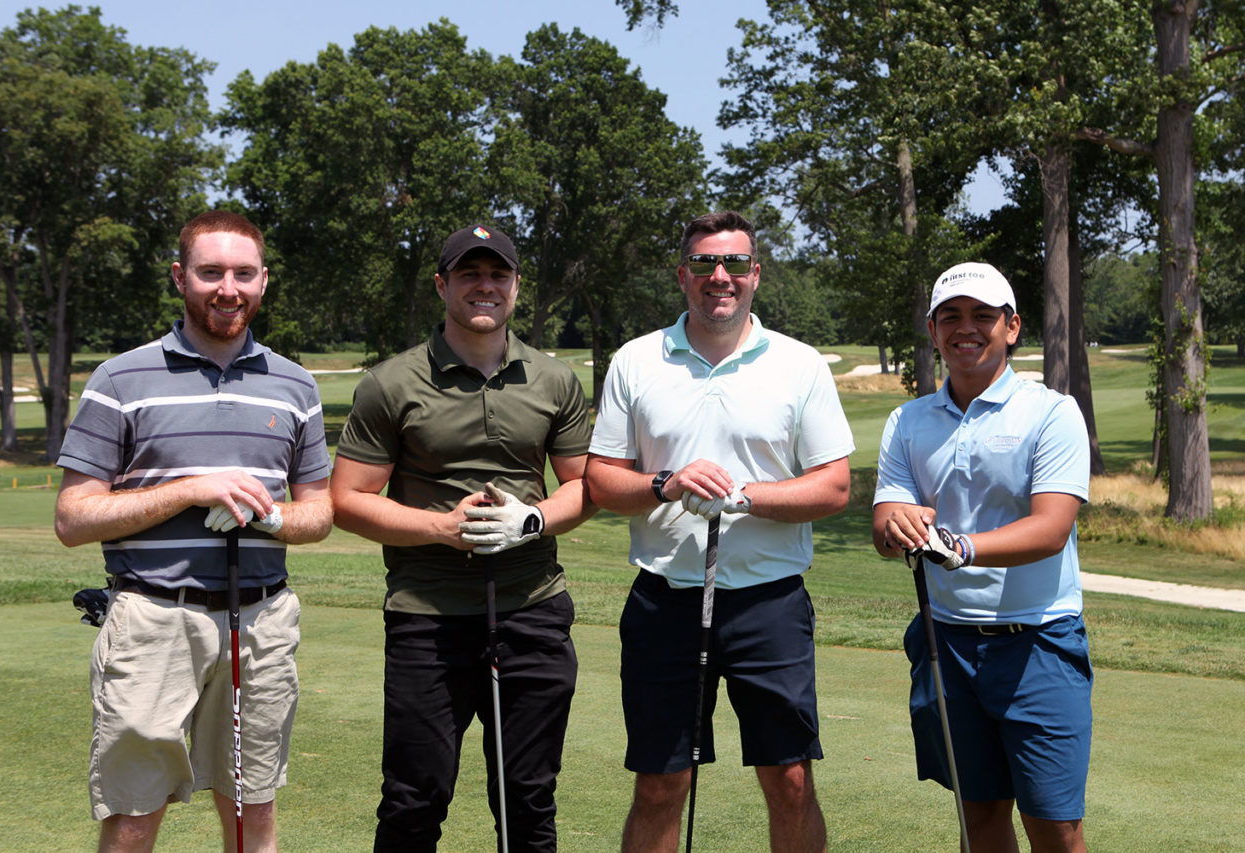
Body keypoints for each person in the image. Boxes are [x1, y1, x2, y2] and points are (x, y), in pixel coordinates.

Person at [54, 209, 333, 853]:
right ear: (180, 277)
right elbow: (74, 518)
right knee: (133, 812)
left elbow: (318, 513)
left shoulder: (295, 384)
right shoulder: (119, 379)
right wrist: (191, 490)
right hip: (153, 618)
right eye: (210, 272)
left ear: (264, 281)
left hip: (260, 620)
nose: (227, 288)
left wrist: (268, 514)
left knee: (251, 807)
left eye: (243, 273)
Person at [585, 211, 853, 853]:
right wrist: (666, 484)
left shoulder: (799, 364)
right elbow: (600, 481)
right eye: (705, 264)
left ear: (755, 274)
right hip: (665, 600)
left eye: (733, 263)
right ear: (684, 275)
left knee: (789, 778)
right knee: (659, 783)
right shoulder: (637, 360)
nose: (720, 276)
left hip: (771, 603)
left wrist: (744, 497)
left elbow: (834, 486)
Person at [329, 224, 595, 852]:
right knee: (414, 800)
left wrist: (530, 520)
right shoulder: (392, 383)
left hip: (533, 610)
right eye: (470, 275)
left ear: (516, 286)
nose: (485, 287)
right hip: (429, 618)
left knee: (528, 800)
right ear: (444, 284)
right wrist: (442, 530)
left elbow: (585, 487)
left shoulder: (554, 381)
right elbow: (347, 500)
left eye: (497, 274)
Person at [872, 261, 1092, 853]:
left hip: (1038, 640)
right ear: (933, 329)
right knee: (980, 813)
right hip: (947, 642)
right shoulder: (907, 420)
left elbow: (1050, 529)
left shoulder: (1051, 411)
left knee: (1055, 825)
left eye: (982, 316)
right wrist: (898, 527)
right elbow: (885, 524)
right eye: (951, 317)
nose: (965, 329)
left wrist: (959, 548)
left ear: (1012, 326)